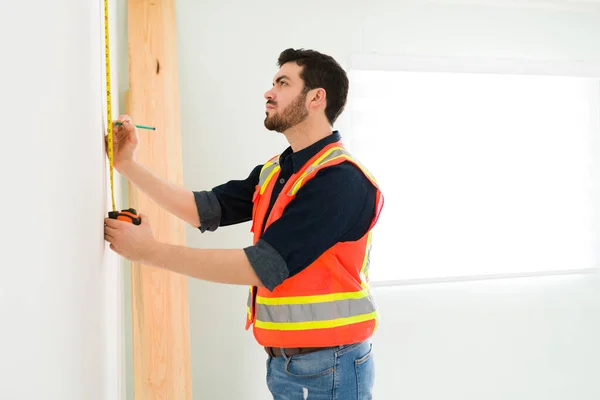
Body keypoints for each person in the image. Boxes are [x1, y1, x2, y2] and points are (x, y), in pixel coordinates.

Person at [104, 48, 384, 399]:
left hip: (331, 367)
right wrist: (127, 165)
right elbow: (203, 209)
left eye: (282, 83)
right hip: (286, 365)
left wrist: (150, 252)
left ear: (316, 98)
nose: (269, 93)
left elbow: (262, 266)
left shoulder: (340, 181)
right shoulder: (278, 171)